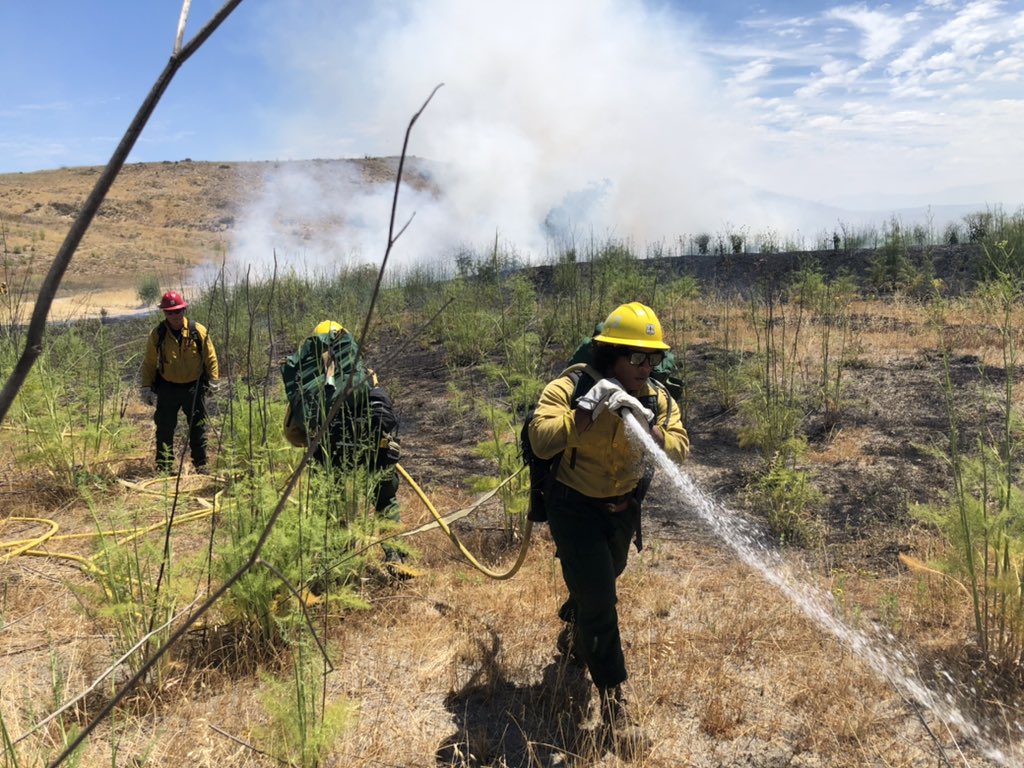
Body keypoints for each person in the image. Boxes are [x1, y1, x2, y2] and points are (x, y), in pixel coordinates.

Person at [527, 301, 689, 749]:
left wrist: (649, 428)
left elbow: (679, 448)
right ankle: (616, 706)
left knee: (601, 581)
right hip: (573, 508)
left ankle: (576, 621)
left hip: (621, 511)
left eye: (653, 358)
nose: (646, 367)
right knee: (601, 597)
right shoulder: (570, 386)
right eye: (636, 358)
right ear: (611, 355)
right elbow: (540, 442)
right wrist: (586, 412)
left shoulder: (657, 397)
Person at [282, 320, 403, 529]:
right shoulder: (366, 374)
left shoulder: (310, 388)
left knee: (332, 506)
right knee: (385, 499)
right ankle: (395, 555)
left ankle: (339, 555)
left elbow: (292, 433)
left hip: (330, 454)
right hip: (372, 449)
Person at [140, 290, 220, 473]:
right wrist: (146, 387)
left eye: (178, 311)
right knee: (164, 428)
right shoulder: (157, 334)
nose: (175, 316)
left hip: (194, 386)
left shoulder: (197, 330)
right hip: (168, 388)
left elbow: (211, 357)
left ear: (184, 310)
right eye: (170, 312)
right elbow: (150, 363)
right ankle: (165, 466)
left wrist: (214, 380)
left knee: (198, 426)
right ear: (164, 313)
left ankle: (201, 464)